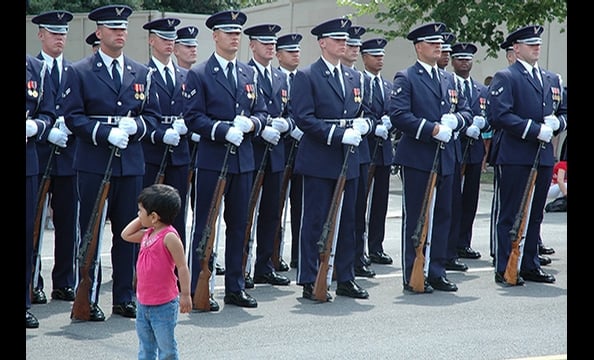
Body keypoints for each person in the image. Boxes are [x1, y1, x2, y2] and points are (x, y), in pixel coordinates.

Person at [62, 4, 161, 320]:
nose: (120, 33)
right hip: (94, 161)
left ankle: (124, 296)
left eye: (123, 28)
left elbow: (153, 117)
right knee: (91, 232)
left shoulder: (141, 73)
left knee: (130, 232)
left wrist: (138, 126)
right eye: (113, 28)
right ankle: (88, 296)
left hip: (130, 163)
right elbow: (72, 116)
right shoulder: (80, 71)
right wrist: (104, 133)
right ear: (99, 33)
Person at [184, 10, 269, 310]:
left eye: (238, 33)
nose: (235, 37)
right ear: (215, 36)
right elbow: (193, 117)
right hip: (212, 160)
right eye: (228, 32)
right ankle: (198, 287)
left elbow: (261, 111)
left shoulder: (248, 73)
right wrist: (221, 130)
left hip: (243, 160)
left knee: (239, 225)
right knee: (206, 225)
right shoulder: (200, 73)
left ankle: (235, 285)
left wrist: (252, 125)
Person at [389, 22, 473, 293]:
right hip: (418, 157)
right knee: (417, 217)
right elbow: (399, 115)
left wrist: (457, 120)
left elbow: (468, 111)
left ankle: (436, 270)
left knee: (443, 215)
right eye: (432, 43)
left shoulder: (448, 79)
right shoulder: (407, 76)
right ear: (418, 47)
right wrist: (432, 129)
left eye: (440, 43)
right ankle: (413, 272)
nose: (439, 47)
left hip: (447, 156)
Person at [291, 17, 370, 301]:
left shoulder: (354, 76)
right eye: (337, 40)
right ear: (322, 42)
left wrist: (365, 126)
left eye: (345, 40)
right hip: (320, 157)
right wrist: (338, 134)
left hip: (350, 157)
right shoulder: (308, 76)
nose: (343, 44)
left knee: (349, 219)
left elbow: (367, 112)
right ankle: (310, 277)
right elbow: (303, 117)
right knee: (315, 220)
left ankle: (345, 277)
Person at [487, 25, 567, 285]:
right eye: (530, 44)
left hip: (543, 156)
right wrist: (534, 130)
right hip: (516, 155)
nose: (536, 47)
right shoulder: (506, 77)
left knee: (535, 214)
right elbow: (499, 115)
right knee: (511, 213)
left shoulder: (549, 79)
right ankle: (505, 266)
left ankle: (530, 263)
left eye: (538, 44)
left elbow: (563, 111)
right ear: (516, 49)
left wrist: (557, 125)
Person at [30, 9, 78, 305]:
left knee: (67, 222)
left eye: (63, 33)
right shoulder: (32, 68)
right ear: (41, 35)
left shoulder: (74, 71)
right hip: (39, 151)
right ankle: (32, 281)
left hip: (69, 156)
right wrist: (45, 131)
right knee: (33, 222)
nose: (59, 38)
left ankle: (64, 281)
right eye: (53, 32)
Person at [242, 23, 293, 288]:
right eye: (264, 42)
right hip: (252, 149)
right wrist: (260, 129)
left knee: (272, 212)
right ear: (252, 45)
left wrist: (287, 125)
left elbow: (293, 113)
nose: (270, 47)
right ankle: (241, 266)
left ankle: (264, 265)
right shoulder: (244, 72)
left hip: (276, 154)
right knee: (245, 212)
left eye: (272, 43)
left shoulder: (281, 77)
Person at [173, 24, 226, 276]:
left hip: (202, 147)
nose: (193, 49)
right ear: (175, 48)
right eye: (187, 45)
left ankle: (206, 258)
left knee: (205, 211)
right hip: (179, 150)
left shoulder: (196, 74)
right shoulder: (191, 75)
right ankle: (178, 260)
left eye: (195, 45)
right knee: (180, 211)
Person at [121, 184, 192, 360]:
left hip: (163, 305)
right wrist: (143, 218)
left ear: (154, 216)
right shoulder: (148, 234)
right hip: (143, 303)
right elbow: (126, 234)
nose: (138, 214)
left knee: (166, 348)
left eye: (140, 211)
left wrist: (185, 294)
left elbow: (182, 266)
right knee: (146, 347)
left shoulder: (169, 237)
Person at [141, 17, 192, 252]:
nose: (169, 43)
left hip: (179, 154)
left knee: (177, 215)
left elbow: (193, 110)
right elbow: (140, 113)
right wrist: (160, 134)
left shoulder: (184, 75)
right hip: (152, 152)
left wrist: (186, 126)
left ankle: (174, 269)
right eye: (164, 38)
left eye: (172, 38)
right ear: (152, 41)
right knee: (149, 215)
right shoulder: (144, 73)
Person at [340, 25, 376, 279]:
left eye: (356, 47)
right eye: (350, 46)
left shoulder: (361, 79)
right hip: (333, 150)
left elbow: (371, 111)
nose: (353, 50)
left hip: (359, 152)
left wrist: (369, 124)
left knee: (356, 210)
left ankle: (356, 257)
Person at [449, 42, 488, 262]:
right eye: (460, 59)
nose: (464, 62)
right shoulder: (449, 85)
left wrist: (483, 125)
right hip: (455, 148)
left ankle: (464, 242)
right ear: (453, 61)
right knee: (453, 200)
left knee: (470, 199)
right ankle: (450, 244)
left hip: (474, 151)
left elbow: (491, 115)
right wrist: (465, 128)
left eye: (468, 59)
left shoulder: (481, 89)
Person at [26, 53, 56, 328]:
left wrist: (36, 125)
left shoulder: (35, 68)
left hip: (28, 161)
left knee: (27, 233)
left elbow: (47, 111)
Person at [360, 37, 395, 267]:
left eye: (382, 55)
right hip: (365, 148)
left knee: (380, 202)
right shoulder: (359, 82)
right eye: (375, 55)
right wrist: (374, 125)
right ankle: (358, 248)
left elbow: (397, 110)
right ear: (365, 58)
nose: (380, 59)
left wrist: (391, 121)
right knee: (360, 203)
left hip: (383, 151)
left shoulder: (389, 86)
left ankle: (376, 246)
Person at [275, 33, 304, 270]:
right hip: (279, 149)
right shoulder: (275, 79)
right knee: (275, 206)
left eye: (297, 51)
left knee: (301, 206)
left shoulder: (302, 79)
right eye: (290, 51)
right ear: (279, 55)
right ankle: (273, 255)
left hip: (303, 150)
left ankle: (298, 254)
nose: (296, 54)